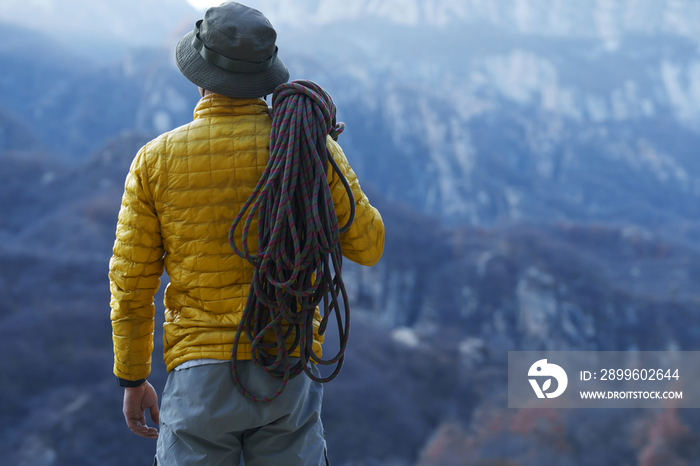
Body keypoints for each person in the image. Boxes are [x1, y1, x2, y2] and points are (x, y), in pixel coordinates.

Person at [108, 2, 384, 465]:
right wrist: (324, 162)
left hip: (199, 377)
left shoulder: (154, 161)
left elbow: (131, 287)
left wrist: (132, 379)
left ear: (200, 75)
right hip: (286, 369)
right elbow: (368, 245)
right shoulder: (306, 146)